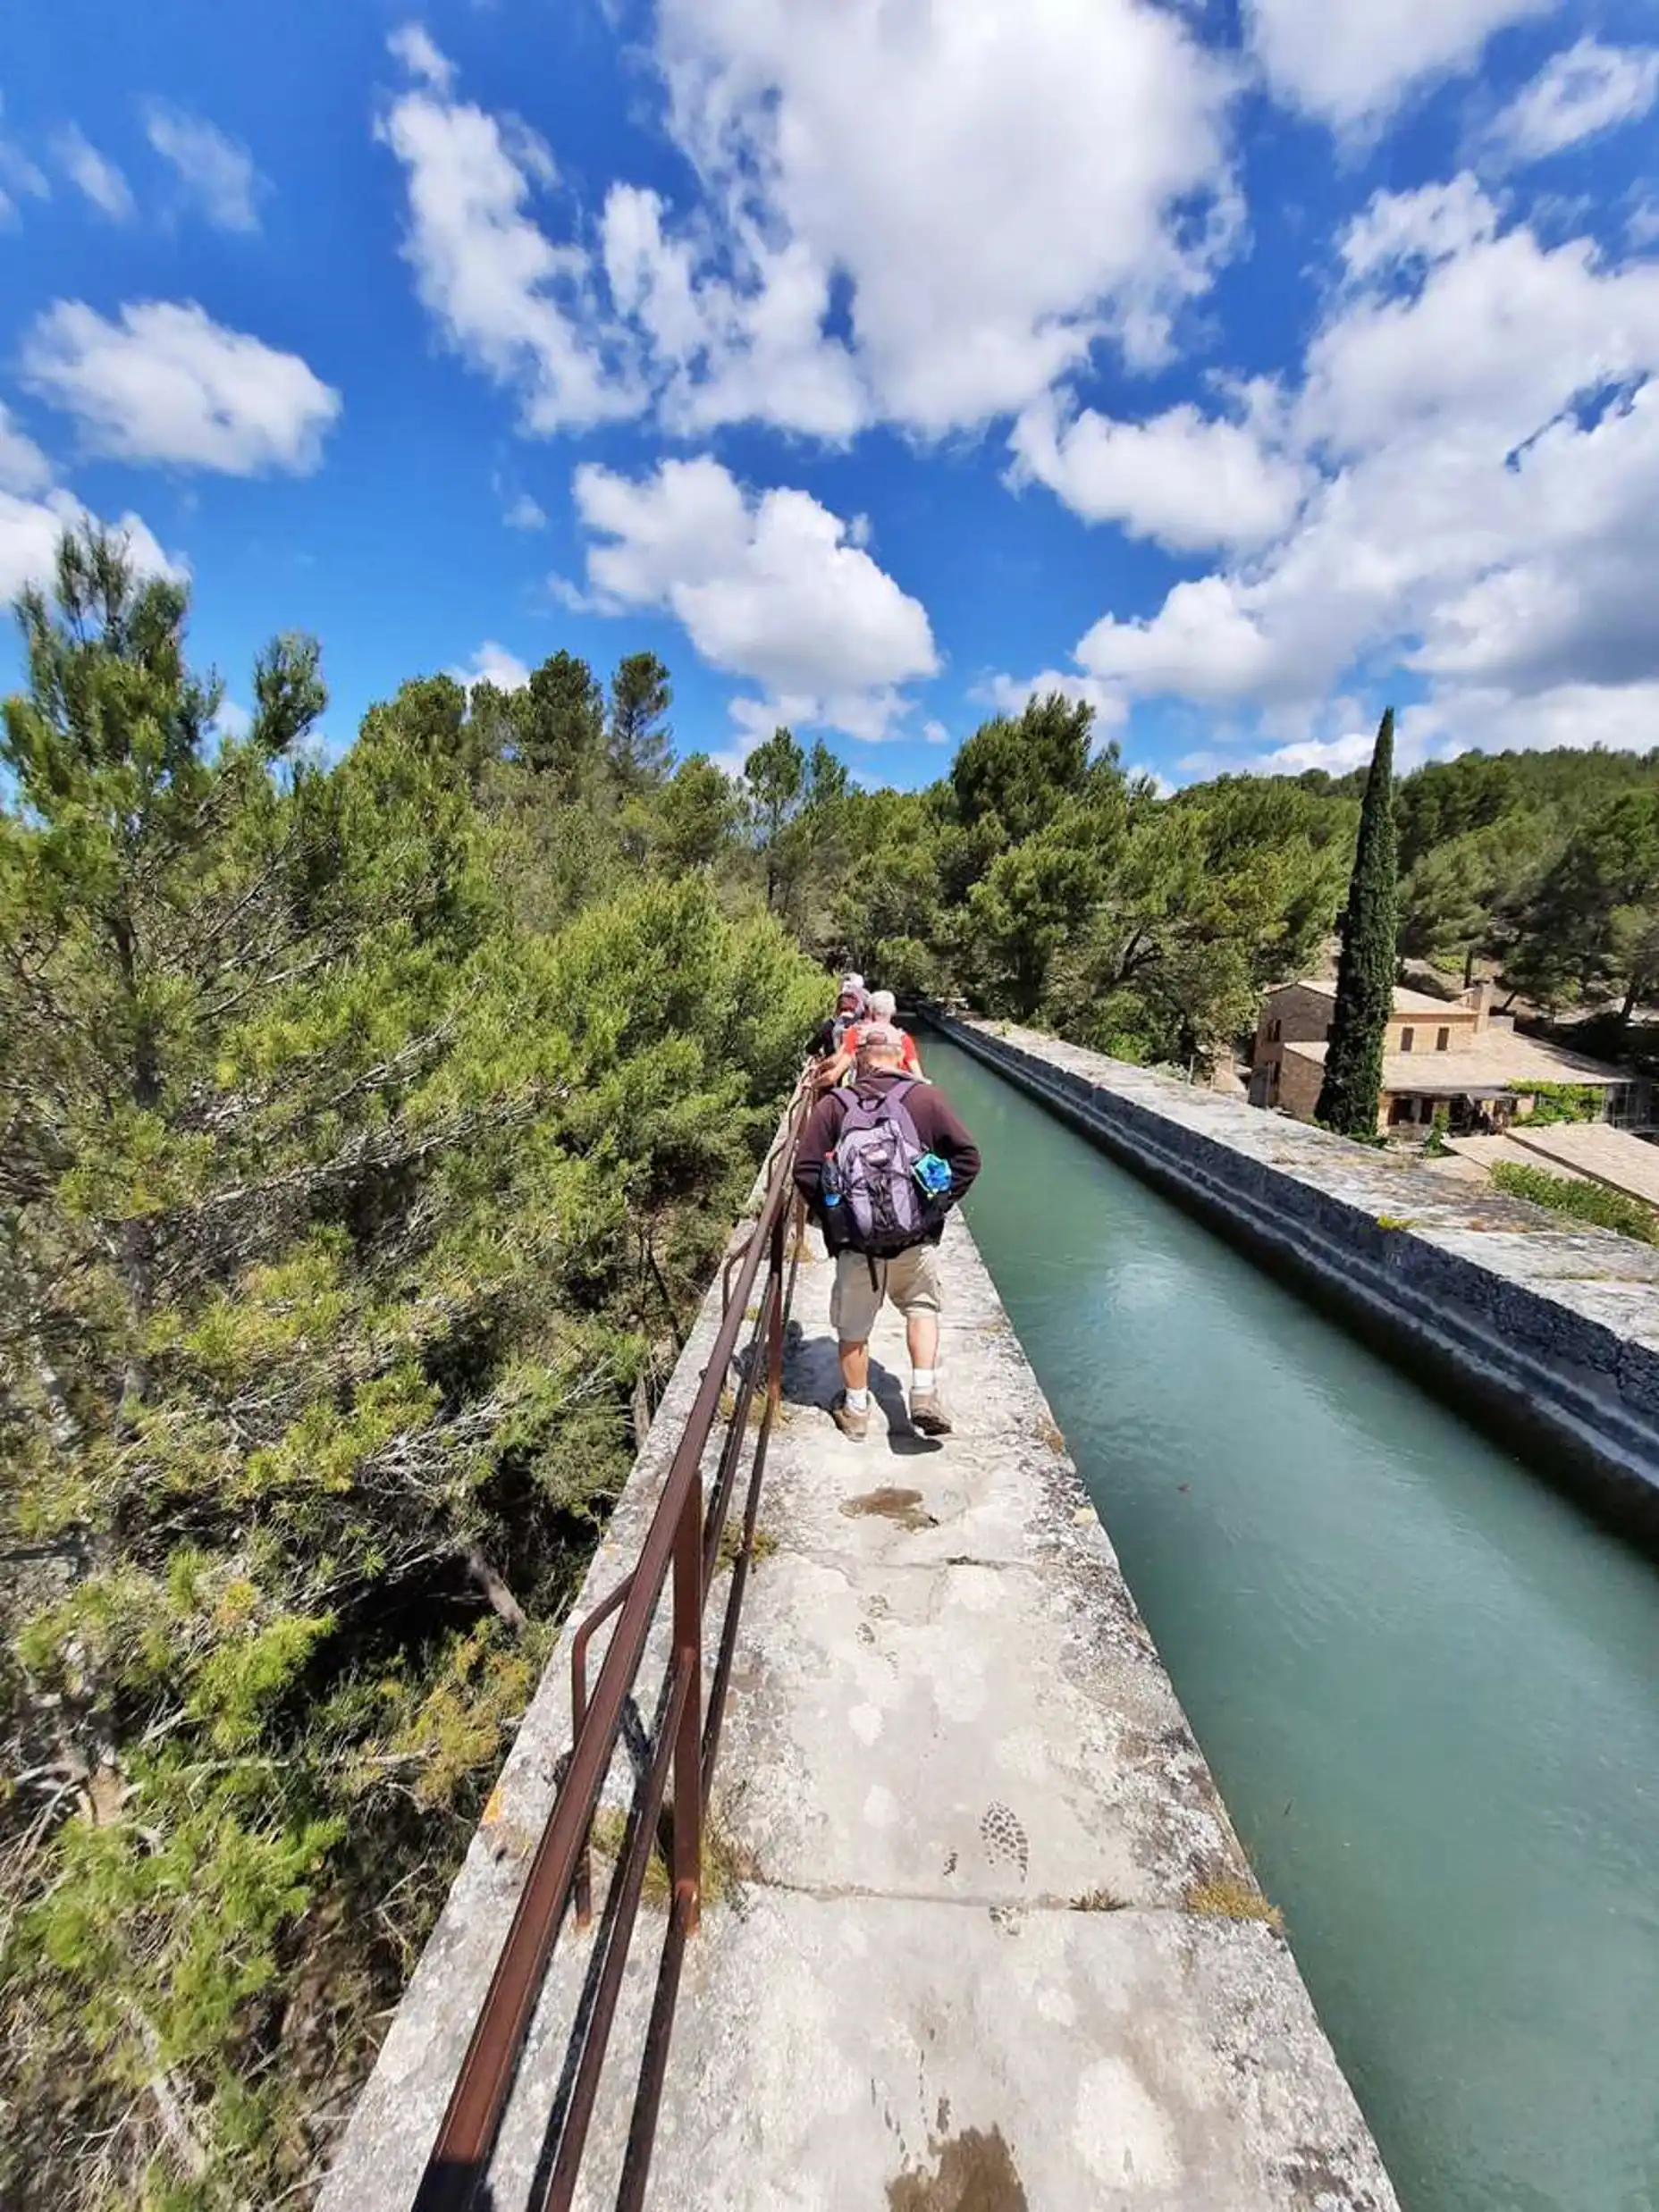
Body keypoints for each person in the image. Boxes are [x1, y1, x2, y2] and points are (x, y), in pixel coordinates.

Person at [795, 1022, 981, 1441]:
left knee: (853, 1327)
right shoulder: (927, 1099)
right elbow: (968, 1158)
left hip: (856, 1245)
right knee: (920, 1308)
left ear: (858, 1059)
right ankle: (923, 1394)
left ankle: (857, 1411)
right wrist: (934, 1207)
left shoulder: (835, 1105)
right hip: (915, 1240)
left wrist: (836, 1219)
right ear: (900, 1056)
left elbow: (805, 1171)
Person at [809, 975, 867, 1066]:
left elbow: (811, 1048)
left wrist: (819, 1057)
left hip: (833, 1068)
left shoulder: (829, 1025)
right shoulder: (863, 1028)